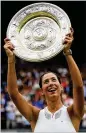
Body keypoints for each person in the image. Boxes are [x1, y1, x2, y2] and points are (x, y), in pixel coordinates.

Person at [3, 27, 84, 132]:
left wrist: (67, 52)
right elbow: (13, 93)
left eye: (54, 80)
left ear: (61, 87)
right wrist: (11, 59)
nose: (51, 83)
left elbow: (78, 87)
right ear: (41, 91)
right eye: (46, 82)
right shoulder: (35, 116)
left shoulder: (73, 113)